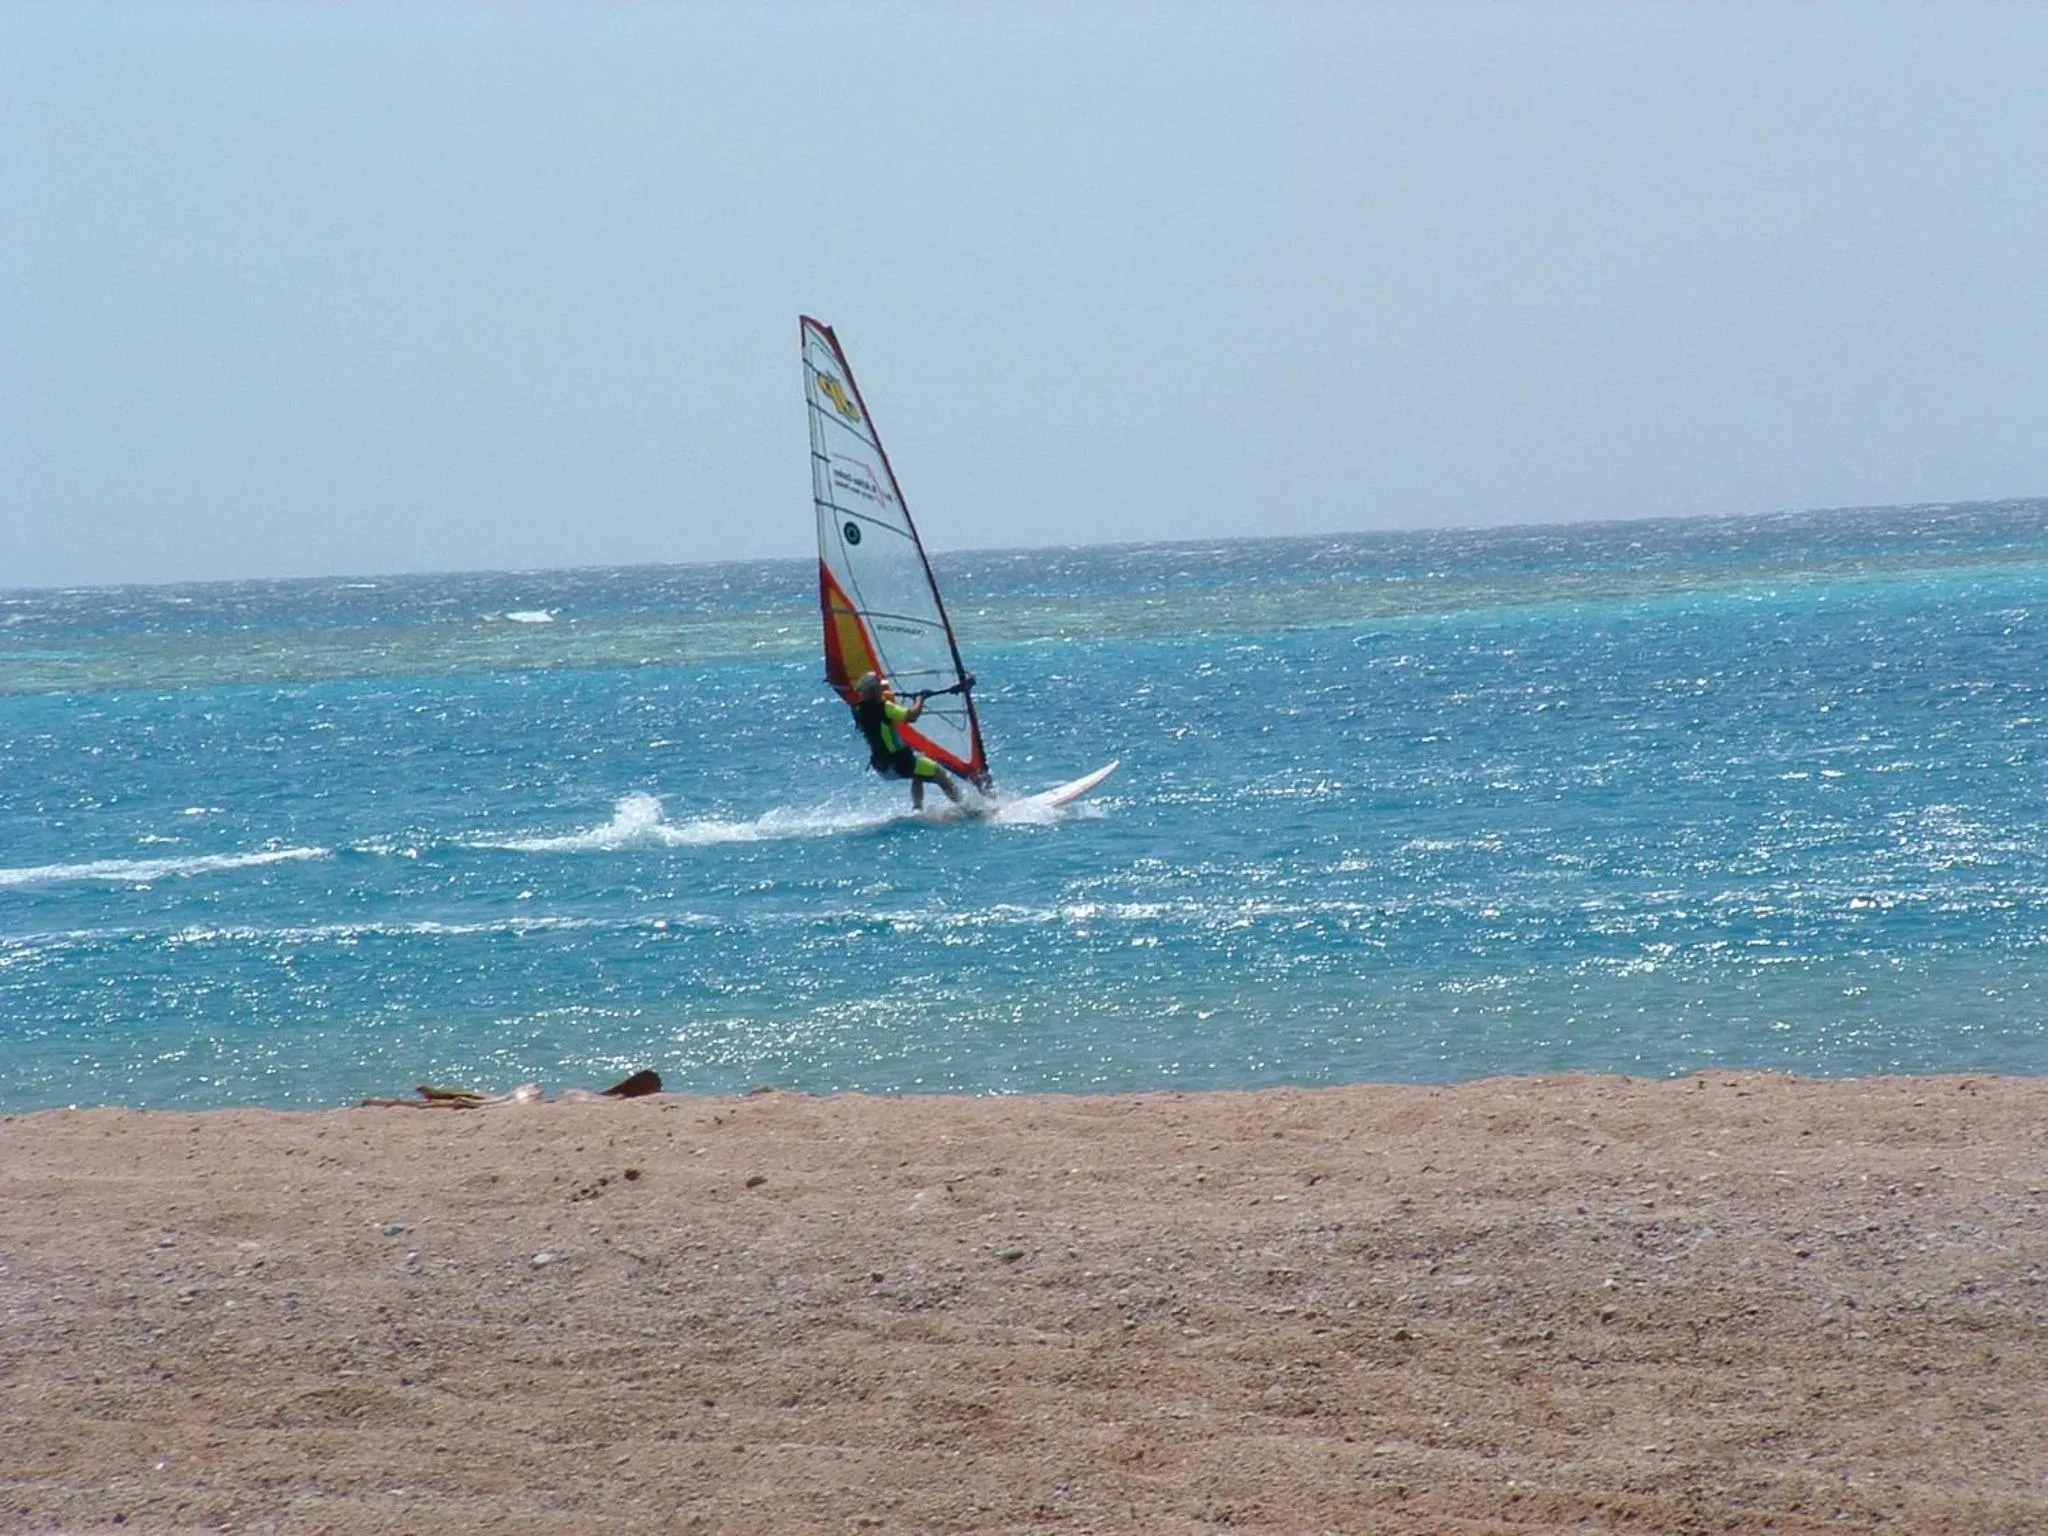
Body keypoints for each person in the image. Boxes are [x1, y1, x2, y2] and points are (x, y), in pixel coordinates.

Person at [851, 671, 967, 809]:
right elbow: (912, 716)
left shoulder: (857, 710)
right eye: (880, 687)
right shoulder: (884, 708)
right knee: (939, 774)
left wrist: (883, 697)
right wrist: (920, 699)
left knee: (919, 771)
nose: (883, 690)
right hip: (900, 763)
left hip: (882, 766)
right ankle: (965, 807)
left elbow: (874, 714)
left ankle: (918, 807)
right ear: (873, 690)